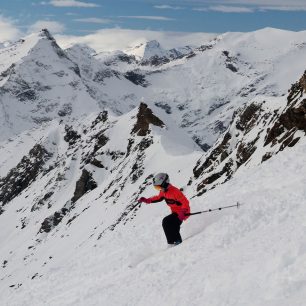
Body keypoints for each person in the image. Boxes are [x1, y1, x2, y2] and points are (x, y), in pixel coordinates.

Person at [138, 173, 190, 245]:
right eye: (157, 188)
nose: (159, 189)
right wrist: (147, 200)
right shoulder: (163, 192)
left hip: (183, 212)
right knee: (168, 223)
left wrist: (183, 212)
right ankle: (172, 242)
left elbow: (185, 202)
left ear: (164, 184)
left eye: (159, 187)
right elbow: (158, 198)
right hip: (175, 212)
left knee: (169, 223)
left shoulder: (175, 192)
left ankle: (178, 242)